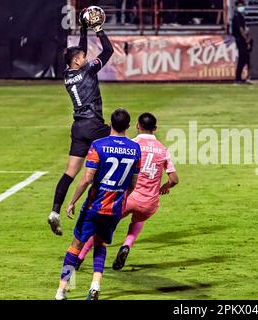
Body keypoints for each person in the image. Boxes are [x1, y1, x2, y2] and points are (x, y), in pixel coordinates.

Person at [55, 108, 141, 300]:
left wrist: (71, 202)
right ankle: (95, 287)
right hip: (115, 209)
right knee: (100, 244)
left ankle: (61, 290)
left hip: (94, 206)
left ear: (110, 124)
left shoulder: (98, 145)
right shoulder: (135, 149)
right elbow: (133, 184)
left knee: (76, 245)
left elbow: (86, 179)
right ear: (128, 126)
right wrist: (119, 196)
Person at [75, 112, 179, 271]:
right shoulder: (163, 150)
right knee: (138, 220)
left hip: (126, 198)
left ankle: (80, 257)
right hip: (149, 203)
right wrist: (165, 187)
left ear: (137, 126)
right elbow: (174, 179)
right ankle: (126, 245)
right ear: (155, 128)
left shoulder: (132, 145)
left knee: (100, 227)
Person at [48, 10, 114, 236]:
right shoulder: (88, 69)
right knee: (119, 143)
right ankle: (103, 211)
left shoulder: (68, 74)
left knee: (69, 174)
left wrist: (83, 28)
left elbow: (79, 51)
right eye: (82, 56)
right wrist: (98, 29)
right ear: (77, 61)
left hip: (78, 128)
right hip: (95, 125)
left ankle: (54, 212)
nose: (85, 58)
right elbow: (109, 51)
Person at [232, 0, 252, 84]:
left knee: (244, 59)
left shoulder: (241, 16)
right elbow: (241, 29)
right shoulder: (237, 16)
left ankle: (241, 77)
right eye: (239, 6)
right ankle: (238, 78)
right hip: (240, 40)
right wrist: (246, 39)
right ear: (236, 7)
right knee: (242, 59)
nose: (241, 7)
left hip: (242, 40)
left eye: (242, 5)